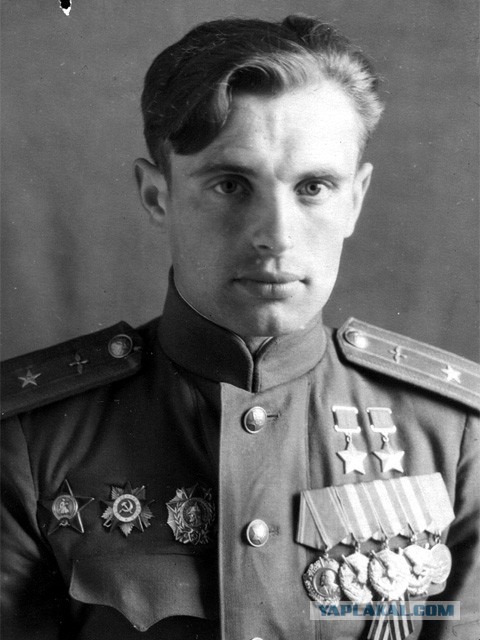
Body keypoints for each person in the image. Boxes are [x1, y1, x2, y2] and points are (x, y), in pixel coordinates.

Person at [1, 14, 479, 640]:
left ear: (355, 199)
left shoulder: (456, 436)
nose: (275, 236)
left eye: (314, 187)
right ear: (157, 196)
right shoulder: (30, 439)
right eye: (231, 184)